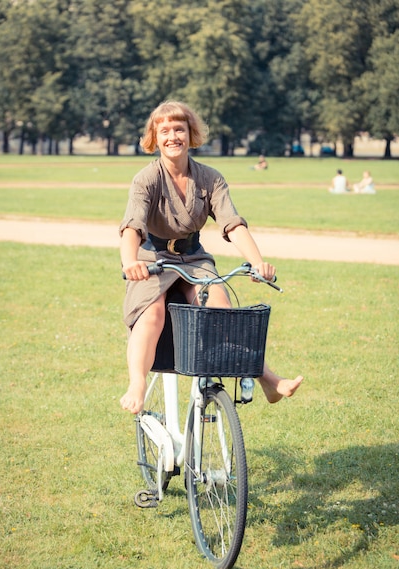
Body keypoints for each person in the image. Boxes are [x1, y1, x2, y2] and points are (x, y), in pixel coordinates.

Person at [119, 101, 303, 414]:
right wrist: (130, 262)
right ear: (154, 138)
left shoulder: (211, 178)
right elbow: (132, 226)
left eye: (179, 129)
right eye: (164, 131)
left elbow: (233, 223)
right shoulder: (146, 179)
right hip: (153, 260)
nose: (173, 136)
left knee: (222, 312)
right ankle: (137, 383)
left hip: (194, 258)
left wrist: (258, 262)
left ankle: (269, 381)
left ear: (191, 135)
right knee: (152, 315)